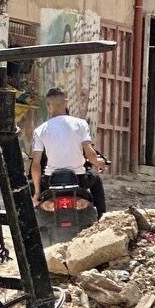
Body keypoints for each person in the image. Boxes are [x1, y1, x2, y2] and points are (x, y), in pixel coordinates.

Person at [31, 85, 107, 215]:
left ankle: (28, 230)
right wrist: (98, 163)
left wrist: (37, 192)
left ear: (49, 106)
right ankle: (101, 219)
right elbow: (90, 153)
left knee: (28, 188)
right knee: (96, 180)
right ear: (66, 102)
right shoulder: (81, 124)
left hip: (51, 180)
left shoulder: (40, 130)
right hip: (79, 179)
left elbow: (36, 165)